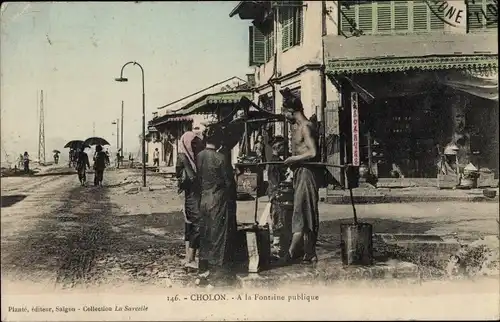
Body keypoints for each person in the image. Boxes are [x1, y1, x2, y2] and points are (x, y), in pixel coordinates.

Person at [280, 91, 320, 265]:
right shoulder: (297, 127)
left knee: (302, 211)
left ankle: (291, 253)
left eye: (284, 112)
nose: (284, 116)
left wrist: (292, 159)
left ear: (291, 110)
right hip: (298, 173)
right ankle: (309, 253)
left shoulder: (306, 126)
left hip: (307, 173)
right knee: (303, 211)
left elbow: (313, 152)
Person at [196, 127, 238, 286]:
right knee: (219, 236)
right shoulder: (221, 158)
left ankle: (203, 269)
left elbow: (199, 178)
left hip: (204, 199)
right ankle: (217, 273)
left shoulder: (199, 156)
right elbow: (229, 183)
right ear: (219, 140)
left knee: (205, 234)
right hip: (218, 200)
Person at [176, 130, 205, 270]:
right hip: (193, 194)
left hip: (190, 195)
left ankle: (188, 257)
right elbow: (192, 178)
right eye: (193, 144)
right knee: (197, 224)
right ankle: (191, 258)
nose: (196, 147)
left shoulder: (186, 156)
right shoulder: (185, 158)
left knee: (190, 224)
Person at [266, 136, 287, 254]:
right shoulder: (275, 161)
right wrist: (276, 192)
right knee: (278, 218)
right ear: (278, 147)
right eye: (283, 146)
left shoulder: (272, 160)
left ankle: (277, 243)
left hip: (274, 192)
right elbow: (274, 180)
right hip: (277, 193)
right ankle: (277, 245)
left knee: (277, 217)